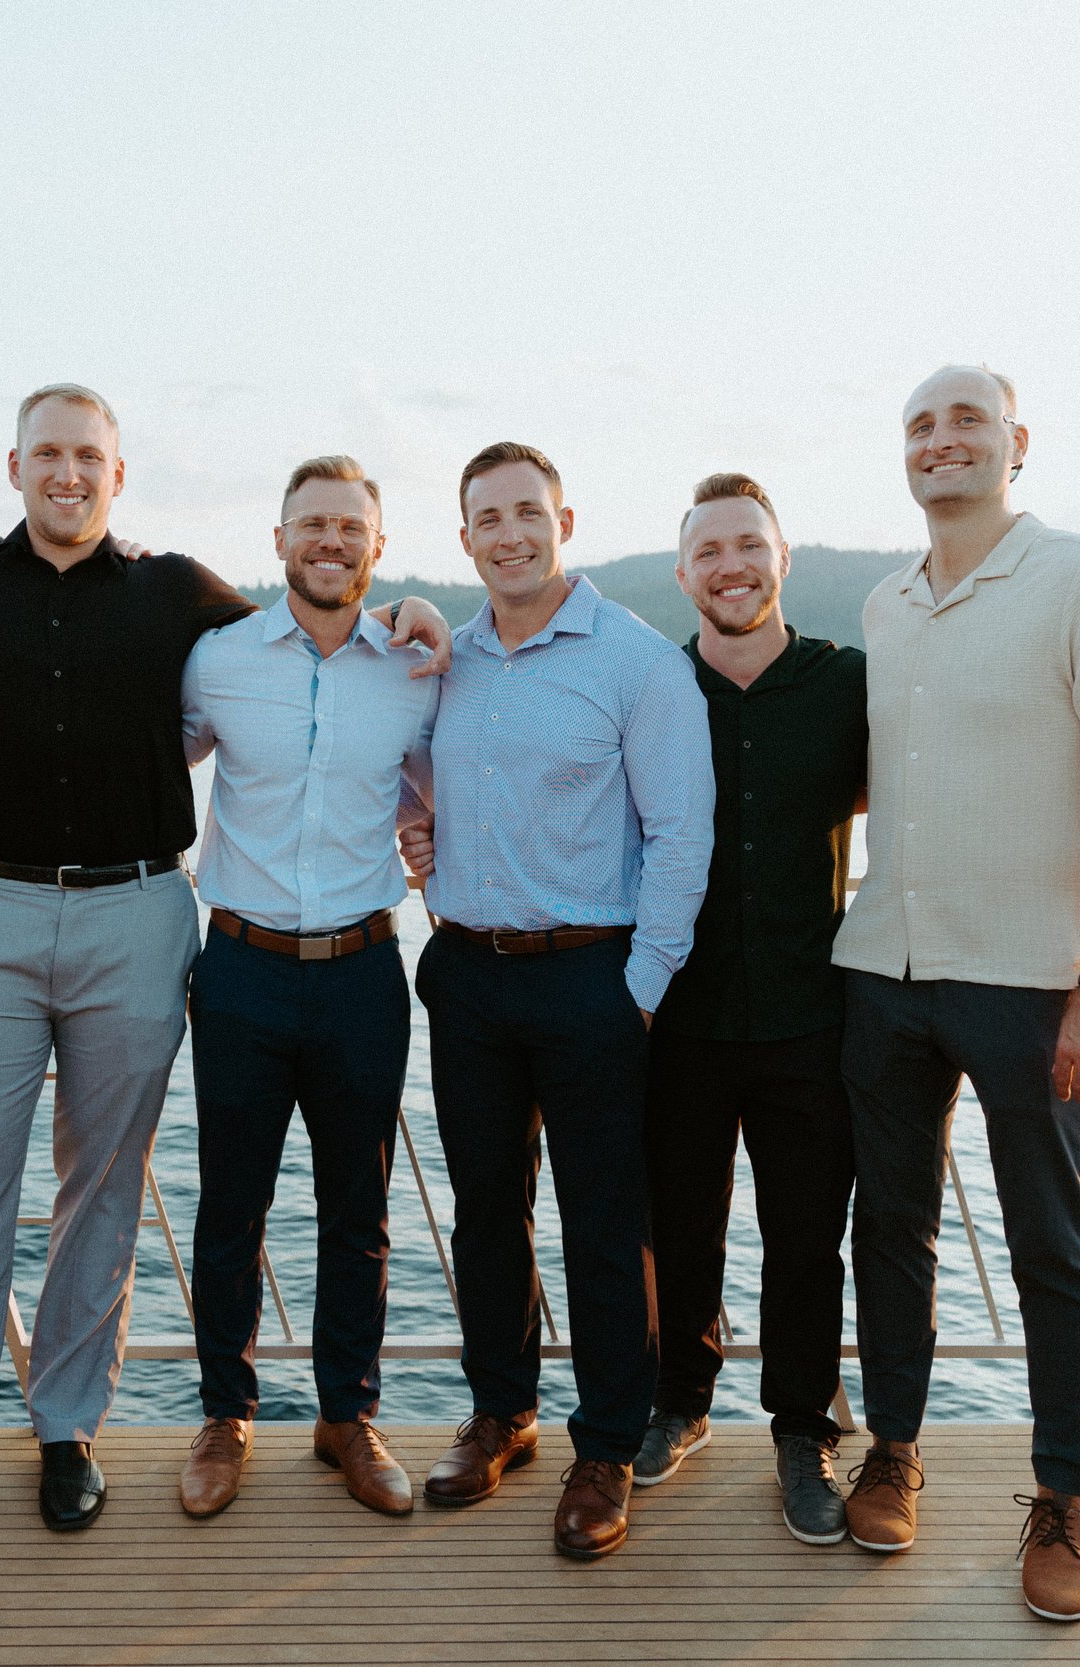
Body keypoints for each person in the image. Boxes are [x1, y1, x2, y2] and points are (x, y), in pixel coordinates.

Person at [0, 386, 452, 1550]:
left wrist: (407, 603)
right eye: (47, 453)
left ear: (117, 474)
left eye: (88, 455)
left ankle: (68, 1429)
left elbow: (315, 619)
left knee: (104, 1185)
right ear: (15, 466)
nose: (67, 472)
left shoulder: (178, 592)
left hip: (136, 911)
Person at [832, 366, 1080, 1623]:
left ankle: (1064, 1498)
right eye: (920, 425)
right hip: (884, 971)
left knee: (1052, 1244)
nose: (942, 440)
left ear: (1015, 443)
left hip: (1033, 983)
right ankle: (893, 1449)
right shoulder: (884, 603)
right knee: (890, 1228)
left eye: (966, 419)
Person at [405, 441, 714, 1561]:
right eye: (488, 518)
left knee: (604, 1220)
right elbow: (408, 770)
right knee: (484, 1207)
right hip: (466, 972)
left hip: (595, 976)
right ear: (465, 538)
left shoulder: (637, 660)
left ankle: (609, 1444)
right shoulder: (445, 661)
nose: (510, 535)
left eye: (528, 512)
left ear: (563, 522)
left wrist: (640, 988)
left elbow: (681, 832)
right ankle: (503, 1411)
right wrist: (420, 831)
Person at [174, 455, 437, 1520]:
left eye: (350, 527)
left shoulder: (417, 668)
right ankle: (224, 1416)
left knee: (358, 1211)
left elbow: (450, 790)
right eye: (312, 523)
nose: (331, 541)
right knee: (231, 1205)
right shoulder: (217, 661)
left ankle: (347, 1415)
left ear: (377, 546)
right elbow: (147, 767)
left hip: (364, 971)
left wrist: (430, 833)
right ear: (279, 538)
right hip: (239, 968)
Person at [635, 472, 866, 1547]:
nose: (731, 566)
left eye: (749, 545)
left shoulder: (847, 681)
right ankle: (679, 1399)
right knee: (676, 1227)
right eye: (709, 551)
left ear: (782, 558)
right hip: (676, 1016)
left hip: (810, 1012)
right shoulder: (652, 684)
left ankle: (803, 1430)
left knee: (806, 1239)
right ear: (683, 573)